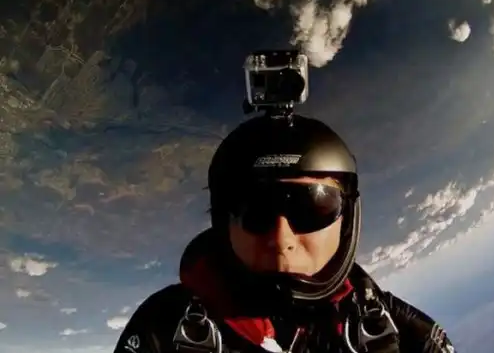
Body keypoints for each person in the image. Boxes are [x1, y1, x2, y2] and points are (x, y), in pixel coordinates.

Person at [113, 114, 456, 353]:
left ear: (347, 218)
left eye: (313, 206)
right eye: (254, 210)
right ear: (223, 222)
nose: (281, 239)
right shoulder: (163, 329)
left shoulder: (395, 333)